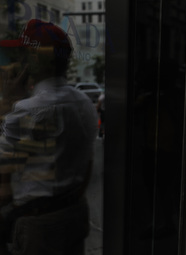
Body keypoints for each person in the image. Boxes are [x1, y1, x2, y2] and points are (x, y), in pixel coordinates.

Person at [0, 19, 98, 254]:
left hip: (40, 223)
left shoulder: (29, 109)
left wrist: (8, 102)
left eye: (24, 53)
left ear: (34, 59)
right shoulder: (83, 101)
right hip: (74, 210)